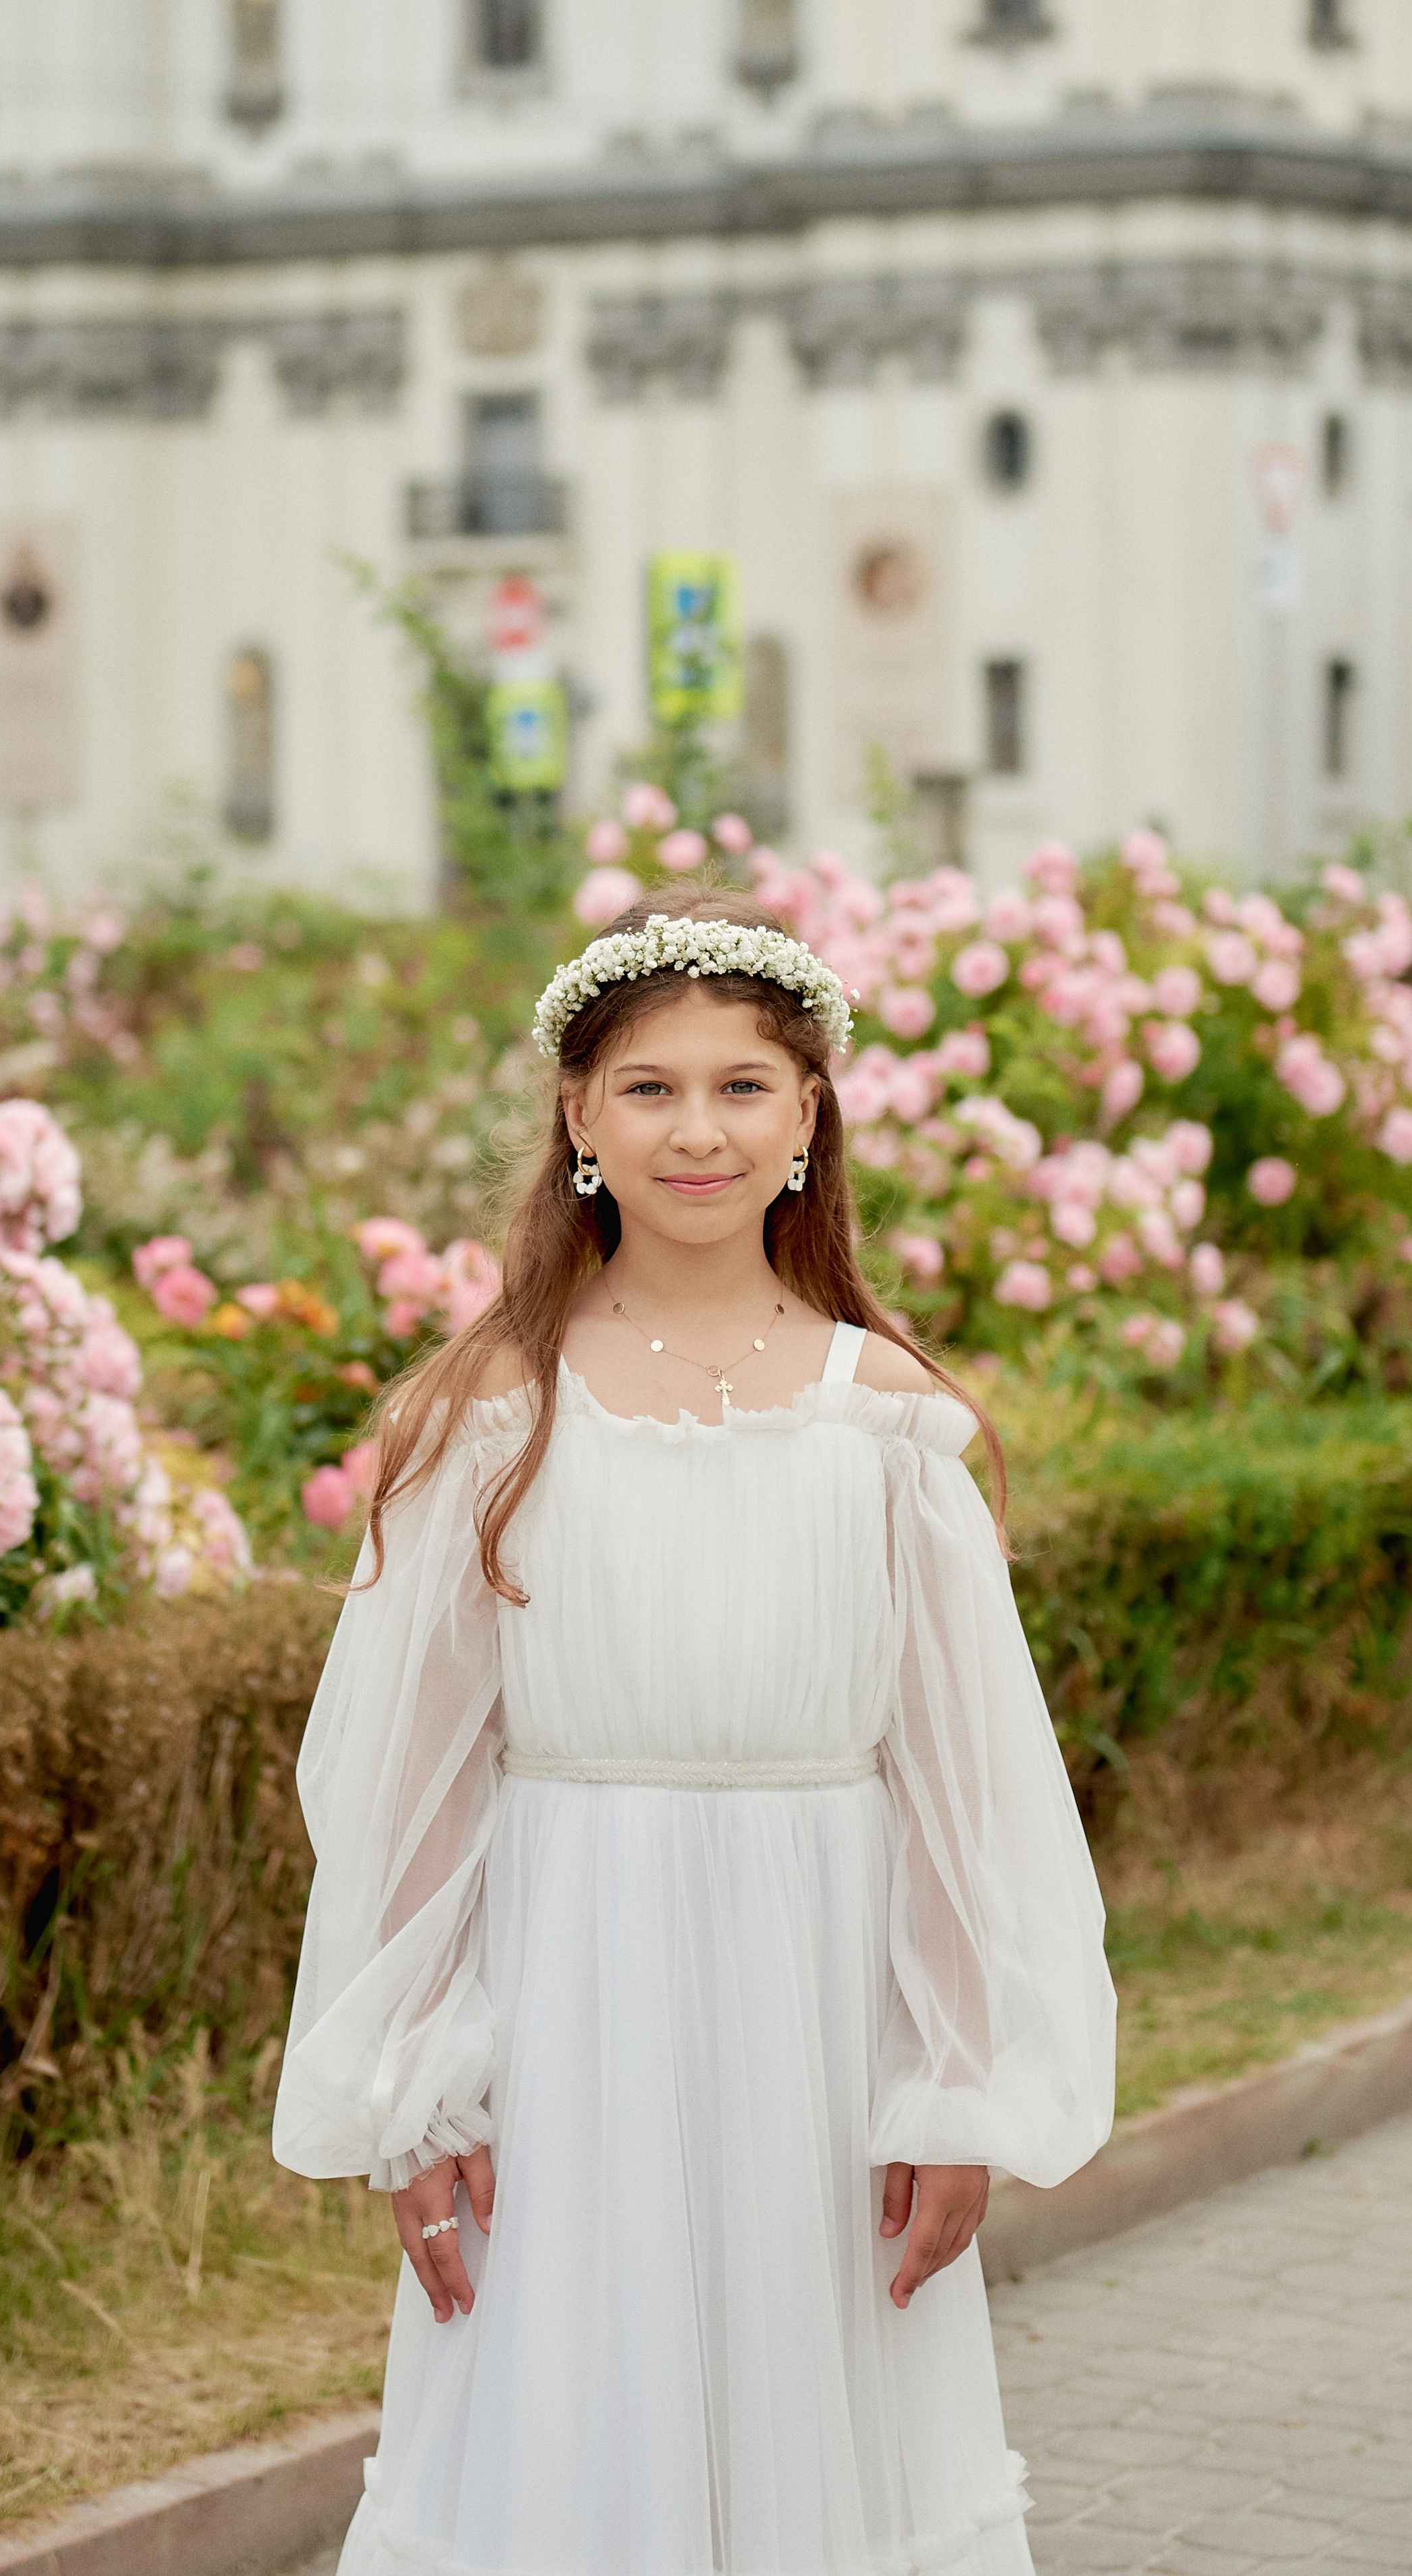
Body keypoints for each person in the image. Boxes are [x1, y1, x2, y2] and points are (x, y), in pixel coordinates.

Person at [273, 887, 1116, 2576]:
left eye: (742, 1085)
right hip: (569, 1999)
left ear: (808, 1116)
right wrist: (422, 2093)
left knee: (816, 2447)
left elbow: (962, 1789)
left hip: (819, 2011)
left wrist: (951, 2087)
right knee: (572, 2432)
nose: (697, 1129)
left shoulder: (879, 1423)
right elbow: (411, 1787)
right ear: (578, 1117)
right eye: (648, 1087)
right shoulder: (491, 1417)